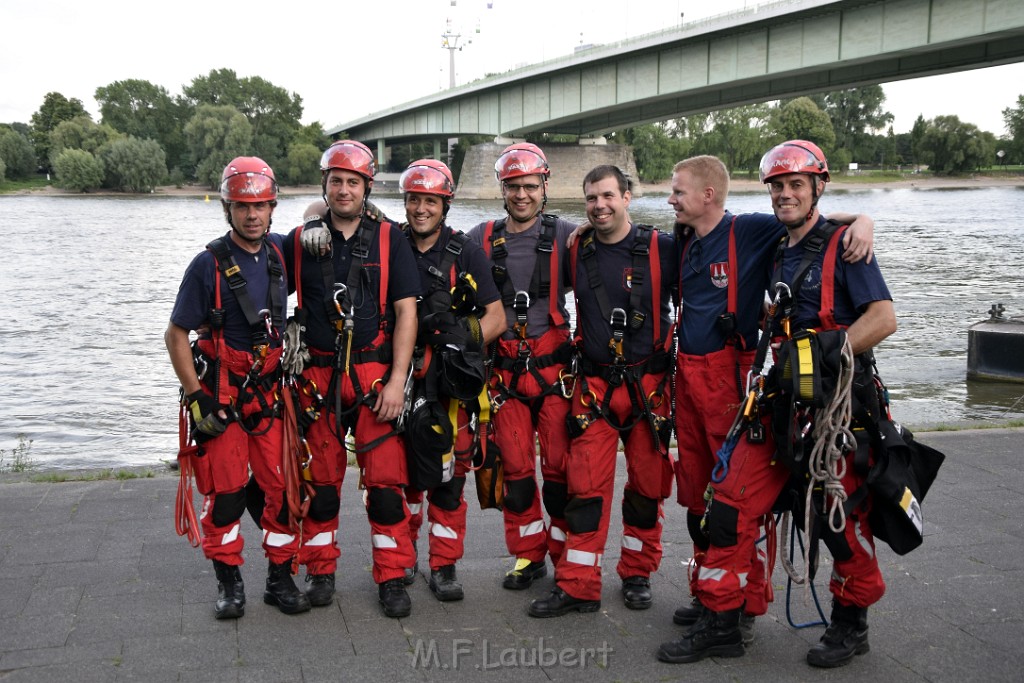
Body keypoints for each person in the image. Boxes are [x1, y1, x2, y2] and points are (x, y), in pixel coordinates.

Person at [658, 140, 896, 667]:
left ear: (817, 187)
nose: (786, 194)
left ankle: (851, 623)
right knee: (729, 504)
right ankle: (723, 619)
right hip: (776, 406)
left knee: (838, 519)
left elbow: (883, 318)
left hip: (834, 412)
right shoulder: (780, 248)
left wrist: (824, 352)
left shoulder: (843, 247)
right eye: (778, 186)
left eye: (796, 185)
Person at [165, 156, 311, 619]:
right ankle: (230, 584)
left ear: (272, 208)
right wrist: (196, 396)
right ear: (228, 209)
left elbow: (322, 218)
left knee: (285, 493)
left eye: (262, 206)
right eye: (243, 207)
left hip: (270, 397)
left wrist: (318, 222)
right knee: (226, 497)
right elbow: (176, 335)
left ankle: (279, 579)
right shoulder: (205, 266)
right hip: (223, 398)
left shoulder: (280, 252)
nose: (253, 215)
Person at [528, 165, 676, 618]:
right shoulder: (576, 249)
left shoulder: (663, 249)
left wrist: (857, 222)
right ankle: (578, 586)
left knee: (647, 489)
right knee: (584, 489)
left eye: (608, 196)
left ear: (628, 196)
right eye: (591, 198)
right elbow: (519, 242)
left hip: (649, 389)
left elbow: (727, 251)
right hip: (593, 388)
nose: (600, 206)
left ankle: (637, 572)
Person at [283, 140, 420, 618]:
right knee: (320, 486)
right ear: (325, 185)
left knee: (385, 487)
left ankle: (392, 576)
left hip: (373, 375)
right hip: (318, 377)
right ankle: (320, 570)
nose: (344, 190)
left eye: (353, 182)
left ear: (367, 187)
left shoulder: (390, 239)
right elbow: (257, 272)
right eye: (336, 181)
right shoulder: (299, 243)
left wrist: (399, 381)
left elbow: (406, 312)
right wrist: (307, 222)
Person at [465, 142, 577, 590]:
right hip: (505, 375)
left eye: (530, 186)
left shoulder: (570, 236)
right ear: (503, 188)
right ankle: (528, 557)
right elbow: (421, 244)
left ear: (544, 186)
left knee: (559, 472)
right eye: (514, 187)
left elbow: (619, 247)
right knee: (515, 475)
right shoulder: (479, 237)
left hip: (554, 375)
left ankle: (569, 553)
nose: (522, 195)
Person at [398, 159, 506, 601]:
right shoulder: (389, 244)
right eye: (414, 200)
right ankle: (400, 559)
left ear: (445, 204)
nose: (421, 209)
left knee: (449, 479)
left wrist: (461, 336)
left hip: (450, 385)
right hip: (400, 382)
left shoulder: (467, 253)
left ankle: (443, 566)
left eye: (430, 201)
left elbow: (497, 317)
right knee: (400, 478)